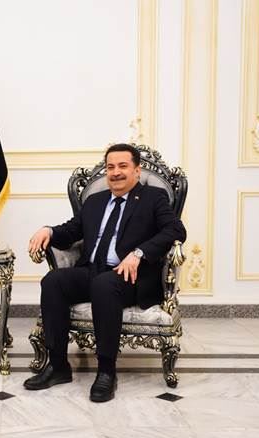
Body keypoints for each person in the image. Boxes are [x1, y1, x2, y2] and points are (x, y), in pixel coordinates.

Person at [25, 143, 186, 402]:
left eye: (123, 166)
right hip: (92, 270)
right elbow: (71, 231)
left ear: (137, 170)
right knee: (53, 281)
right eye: (111, 167)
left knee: (105, 285)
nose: (115, 172)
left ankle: (106, 372)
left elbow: (176, 230)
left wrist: (139, 254)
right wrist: (49, 230)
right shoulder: (95, 201)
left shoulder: (153, 198)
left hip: (129, 277)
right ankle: (58, 366)